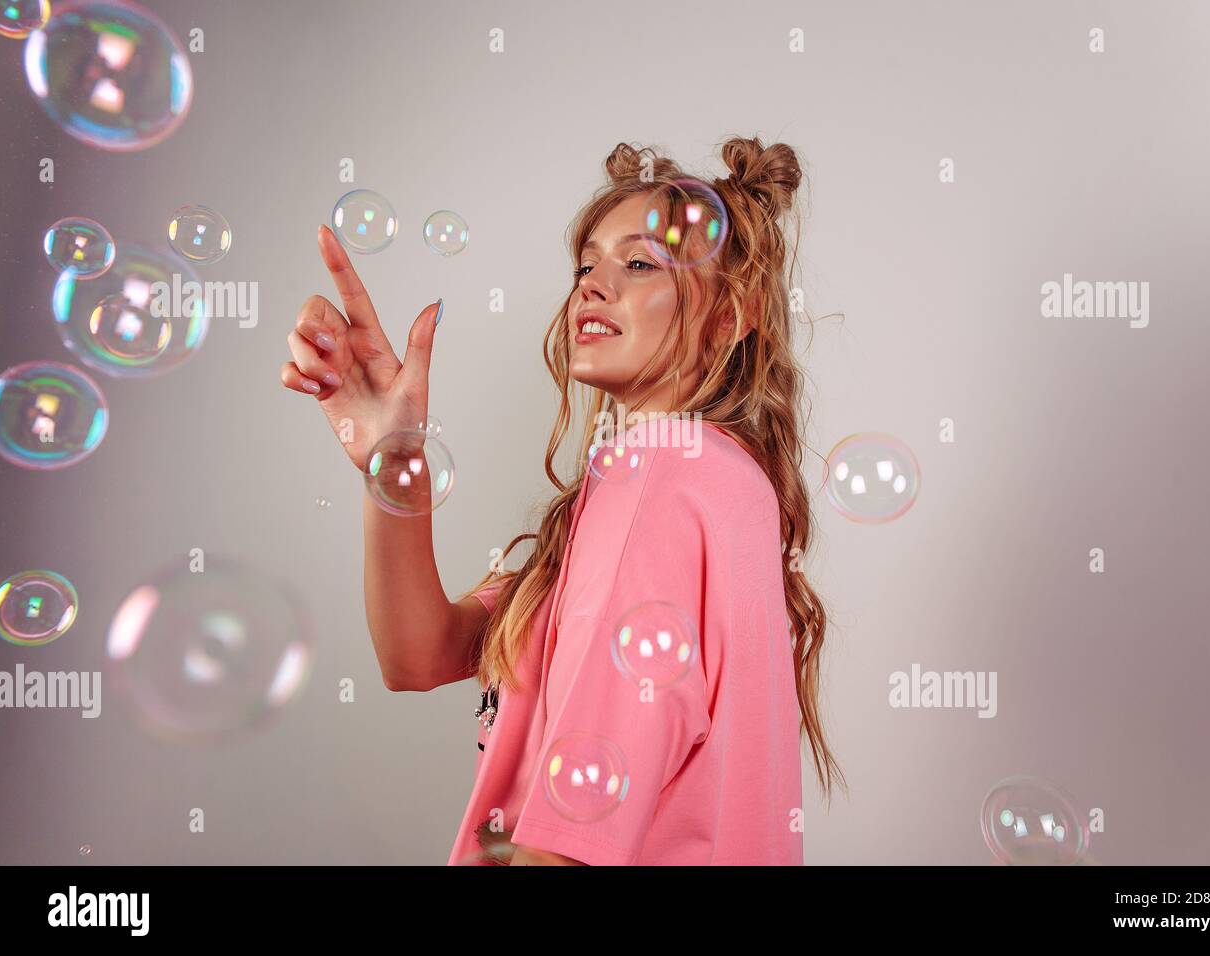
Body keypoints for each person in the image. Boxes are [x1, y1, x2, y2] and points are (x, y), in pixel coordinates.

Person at [280, 136, 843, 865]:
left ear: (733, 316)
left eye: (638, 263)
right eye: (586, 264)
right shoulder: (707, 482)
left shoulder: (662, 478)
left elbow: (575, 841)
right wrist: (396, 463)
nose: (592, 285)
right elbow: (418, 654)